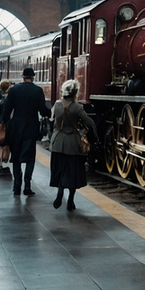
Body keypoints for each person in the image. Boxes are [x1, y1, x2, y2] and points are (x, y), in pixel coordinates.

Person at [0, 67, 50, 196]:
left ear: (23, 77)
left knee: (16, 156)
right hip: (31, 126)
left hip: (16, 126)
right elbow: (43, 109)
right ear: (33, 77)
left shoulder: (14, 90)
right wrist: (49, 113)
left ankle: (17, 186)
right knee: (30, 156)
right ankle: (27, 185)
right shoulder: (37, 90)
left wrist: (4, 123)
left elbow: (7, 108)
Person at [49, 80, 96, 211]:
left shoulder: (57, 105)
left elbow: (51, 121)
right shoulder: (77, 107)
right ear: (75, 93)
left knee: (60, 170)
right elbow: (89, 122)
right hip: (72, 144)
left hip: (57, 142)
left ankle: (59, 194)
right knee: (73, 173)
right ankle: (70, 201)